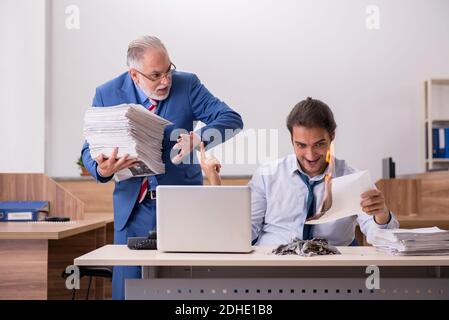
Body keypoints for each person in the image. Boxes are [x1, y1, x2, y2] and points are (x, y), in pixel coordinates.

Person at [81, 35, 243, 299]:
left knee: (181, 292)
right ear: (135, 75)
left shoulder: (187, 84)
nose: (165, 81)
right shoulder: (107, 94)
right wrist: (102, 170)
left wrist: (199, 138)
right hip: (133, 210)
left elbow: (232, 119)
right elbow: (89, 149)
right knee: (128, 291)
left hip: (183, 207)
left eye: (168, 70)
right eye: (156, 75)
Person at [201, 97, 399, 246]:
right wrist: (215, 184)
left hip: (332, 271)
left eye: (319, 144)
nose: (310, 155)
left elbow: (382, 239)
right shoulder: (267, 175)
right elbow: (244, 234)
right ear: (291, 140)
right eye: (301, 145)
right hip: (272, 267)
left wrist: (381, 214)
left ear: (332, 136)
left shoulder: (352, 178)